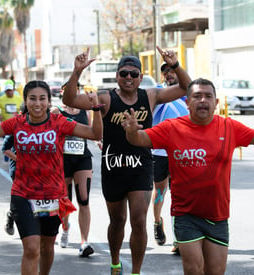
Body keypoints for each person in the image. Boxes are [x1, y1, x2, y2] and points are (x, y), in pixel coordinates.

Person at [121, 78, 254, 275]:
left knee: (215, 272)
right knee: (194, 269)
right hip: (186, 214)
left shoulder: (228, 127)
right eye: (197, 96)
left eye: (208, 96)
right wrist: (131, 132)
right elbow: (140, 139)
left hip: (217, 216)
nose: (203, 100)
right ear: (187, 102)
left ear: (216, 103)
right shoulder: (172, 128)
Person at [63, 47, 191, 275]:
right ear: (117, 76)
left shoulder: (150, 96)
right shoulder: (105, 98)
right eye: (124, 73)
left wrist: (175, 65)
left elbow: (186, 88)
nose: (129, 78)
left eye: (134, 74)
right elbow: (69, 98)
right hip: (113, 167)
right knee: (118, 220)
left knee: (139, 219)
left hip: (141, 165)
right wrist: (77, 71)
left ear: (141, 77)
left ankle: (136, 271)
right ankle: (114, 262)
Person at [0, 80, 102, 275]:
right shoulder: (17, 123)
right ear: (25, 100)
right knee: (32, 248)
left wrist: (96, 109)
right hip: (23, 193)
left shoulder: (59, 123)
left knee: (47, 246)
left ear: (49, 102)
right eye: (32, 99)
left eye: (42, 99)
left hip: (53, 195)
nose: (37, 104)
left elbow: (94, 134)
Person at [52, 81, 95, 257]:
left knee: (83, 199)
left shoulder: (85, 111)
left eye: (76, 89)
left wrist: (98, 140)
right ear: (63, 92)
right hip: (63, 160)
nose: (73, 92)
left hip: (82, 158)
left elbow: (92, 131)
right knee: (65, 200)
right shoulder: (56, 112)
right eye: (69, 90)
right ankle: (65, 227)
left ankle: (85, 242)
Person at [152, 63, 189, 255]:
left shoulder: (188, 95)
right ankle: (157, 222)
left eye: (173, 71)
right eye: (165, 72)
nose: (169, 74)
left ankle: (178, 238)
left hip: (181, 154)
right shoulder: (158, 93)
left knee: (179, 195)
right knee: (159, 192)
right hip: (159, 153)